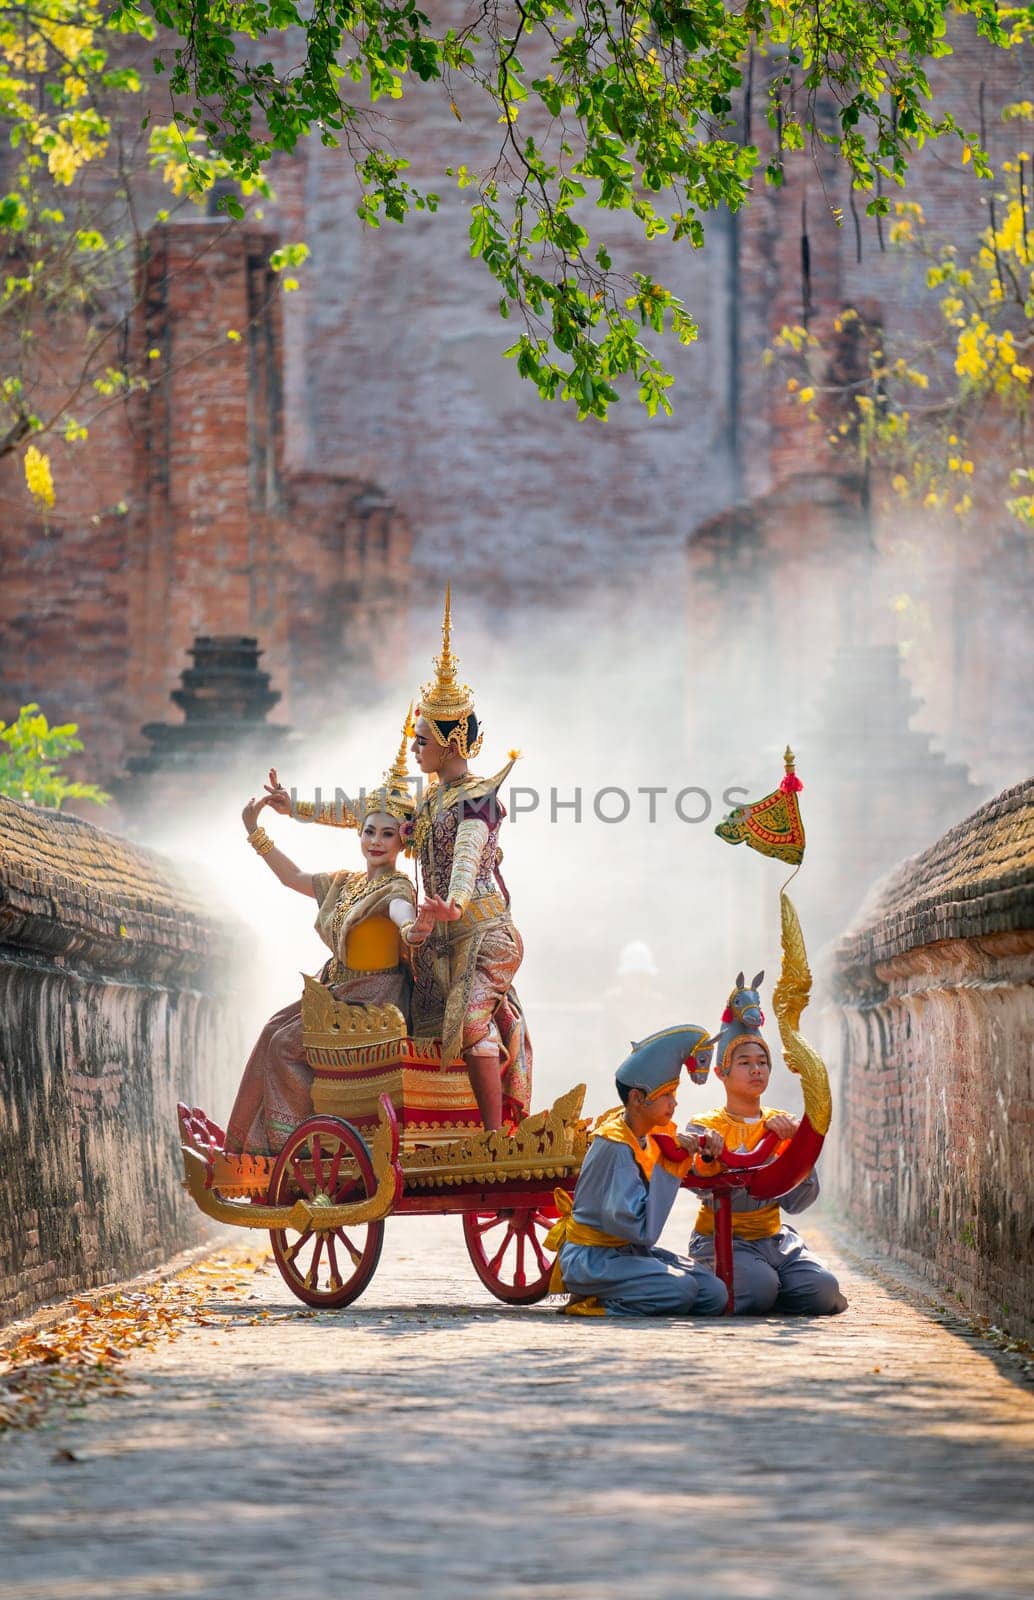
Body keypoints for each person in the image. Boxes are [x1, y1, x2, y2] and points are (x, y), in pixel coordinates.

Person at [224, 726, 433, 1155]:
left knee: (285, 1045)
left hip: (375, 1001)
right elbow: (292, 877)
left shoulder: (396, 889)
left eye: (387, 834)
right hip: (337, 990)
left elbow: (404, 920)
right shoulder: (345, 882)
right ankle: (243, 1143)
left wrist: (417, 929)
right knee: (270, 1031)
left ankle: (293, 1146)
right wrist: (255, 832)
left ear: (401, 841)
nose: (375, 841)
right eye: (369, 831)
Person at [403, 587, 531, 1131]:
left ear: (451, 743)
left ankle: (493, 1136)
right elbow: (366, 814)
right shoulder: (428, 798)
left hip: (484, 938)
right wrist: (295, 808)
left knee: (472, 1023)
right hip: (439, 939)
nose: (414, 749)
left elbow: (468, 854)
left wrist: (453, 903)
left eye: (421, 739)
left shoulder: (478, 799)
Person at [546, 1026, 728, 1317]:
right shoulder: (615, 1145)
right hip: (594, 1258)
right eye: (666, 1094)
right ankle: (594, 1303)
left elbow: (690, 1172)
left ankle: (641, 1294)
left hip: (629, 1254)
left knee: (714, 1293)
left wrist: (707, 1154)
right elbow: (639, 1229)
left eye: (674, 1093)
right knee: (680, 1290)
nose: (675, 1103)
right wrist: (673, 1163)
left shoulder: (652, 1134)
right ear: (636, 1098)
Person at [686, 1004, 847, 1315]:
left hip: (774, 1240)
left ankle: (774, 1285)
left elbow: (798, 1203)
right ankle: (757, 1286)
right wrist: (713, 1155)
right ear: (721, 1072)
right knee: (759, 1288)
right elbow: (702, 1187)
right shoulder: (705, 1126)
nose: (756, 1070)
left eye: (763, 1063)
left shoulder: (781, 1123)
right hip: (721, 1240)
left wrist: (791, 1149)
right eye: (745, 1063)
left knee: (823, 1291)